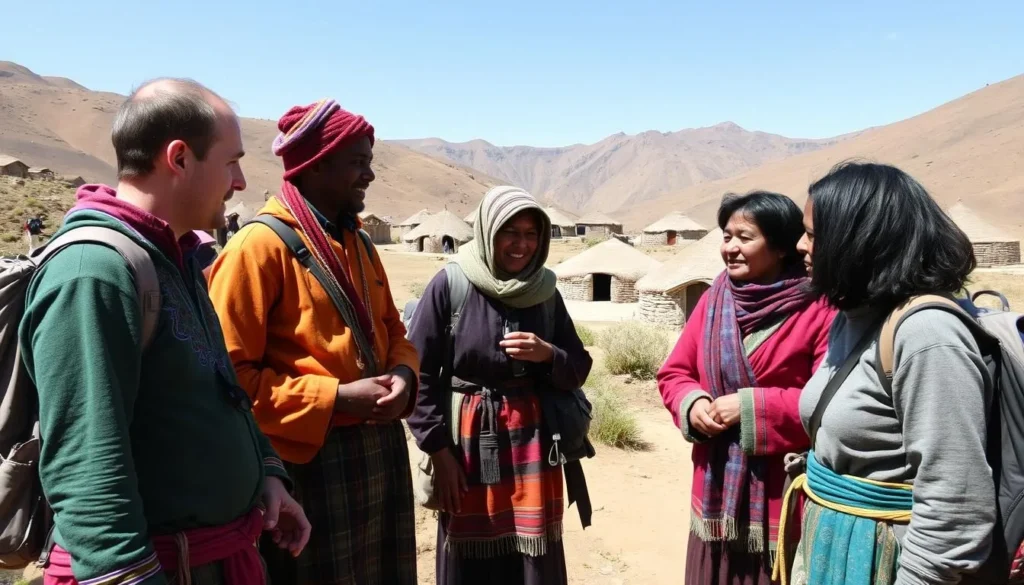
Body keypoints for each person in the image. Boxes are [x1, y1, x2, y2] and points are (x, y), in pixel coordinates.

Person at [19, 78, 310, 585]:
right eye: (232, 161)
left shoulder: (176, 259)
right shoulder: (94, 272)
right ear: (178, 158)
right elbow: (86, 471)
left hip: (214, 560)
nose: (240, 181)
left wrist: (265, 472)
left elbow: (220, 392)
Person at [207, 98, 421, 584]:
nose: (369, 176)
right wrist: (338, 398)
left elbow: (393, 331)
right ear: (315, 165)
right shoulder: (257, 249)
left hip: (376, 455)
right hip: (308, 468)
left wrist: (405, 376)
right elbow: (227, 382)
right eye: (358, 163)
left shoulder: (360, 243)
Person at [774, 162, 995, 585]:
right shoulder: (853, 315)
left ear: (859, 241)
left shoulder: (927, 334)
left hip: (887, 561)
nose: (801, 245)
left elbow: (956, 506)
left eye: (814, 234)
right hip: (837, 546)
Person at [406, 186, 594, 585]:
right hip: (465, 445)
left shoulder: (545, 292)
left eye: (531, 234)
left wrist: (548, 354)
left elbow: (578, 368)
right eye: (511, 231)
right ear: (489, 231)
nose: (521, 244)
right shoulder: (450, 285)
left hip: (533, 445)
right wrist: (439, 452)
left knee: (533, 553)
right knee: (466, 551)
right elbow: (417, 374)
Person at [656, 190, 836, 585]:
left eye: (745, 237)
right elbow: (674, 373)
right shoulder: (714, 298)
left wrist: (750, 407)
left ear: (781, 247)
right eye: (726, 236)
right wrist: (692, 402)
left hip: (781, 491)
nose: (730, 249)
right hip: (715, 485)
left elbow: (828, 402)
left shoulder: (819, 309)